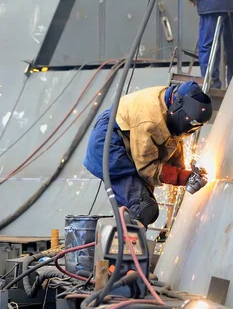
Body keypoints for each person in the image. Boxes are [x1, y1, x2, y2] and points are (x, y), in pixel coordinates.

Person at [83, 81, 212, 228]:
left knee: (134, 212)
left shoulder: (170, 107)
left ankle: (122, 244)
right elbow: (147, 168)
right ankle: (123, 248)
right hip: (109, 147)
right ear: (178, 107)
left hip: (126, 147)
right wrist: (183, 177)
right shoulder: (151, 120)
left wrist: (186, 172)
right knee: (144, 208)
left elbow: (172, 146)